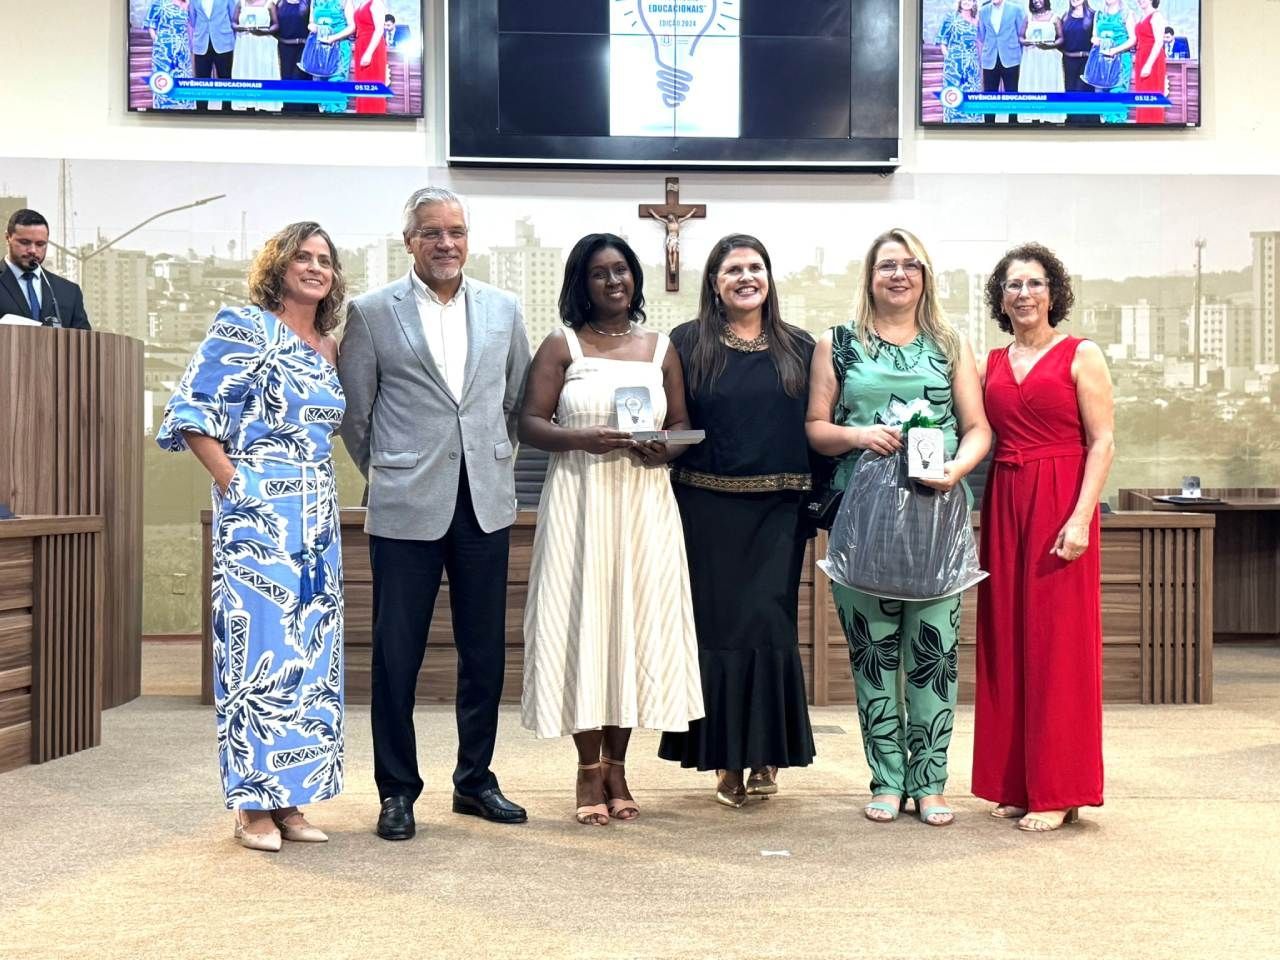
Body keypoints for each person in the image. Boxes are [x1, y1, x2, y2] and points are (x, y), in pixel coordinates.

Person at [337, 187, 533, 841]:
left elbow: (513, 402)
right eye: (431, 233)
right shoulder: (370, 314)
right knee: (397, 654)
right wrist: (394, 471)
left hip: (483, 504)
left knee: (484, 654)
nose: (446, 243)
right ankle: (397, 791)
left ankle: (474, 781)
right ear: (410, 241)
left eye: (456, 231)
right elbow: (355, 416)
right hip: (404, 507)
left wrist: (482, 460)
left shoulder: (504, 309)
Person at [156, 221, 347, 852]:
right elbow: (192, 413)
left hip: (317, 518)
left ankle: (292, 801)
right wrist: (237, 487)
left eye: (325, 259)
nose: (315, 267)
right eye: (304, 257)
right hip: (257, 515)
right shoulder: (243, 326)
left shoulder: (328, 346)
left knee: (309, 660)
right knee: (255, 657)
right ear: (279, 266)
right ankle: (250, 808)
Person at [806, 228, 990, 827]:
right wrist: (858, 435)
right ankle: (887, 780)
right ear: (871, 276)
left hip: (937, 516)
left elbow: (978, 427)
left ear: (924, 276)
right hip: (863, 518)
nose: (899, 275)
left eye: (911, 265)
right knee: (874, 653)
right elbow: (815, 428)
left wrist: (959, 467)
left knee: (934, 653)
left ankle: (931, 783)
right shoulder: (838, 344)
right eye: (888, 265)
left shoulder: (950, 343)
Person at [520, 234, 703, 825]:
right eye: (599, 273)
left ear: (635, 278)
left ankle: (618, 768)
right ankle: (585, 769)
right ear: (581, 283)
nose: (613, 281)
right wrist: (581, 439)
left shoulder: (661, 348)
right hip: (581, 501)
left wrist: (663, 452)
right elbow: (528, 423)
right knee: (584, 627)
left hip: (644, 504)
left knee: (630, 628)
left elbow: (679, 423)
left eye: (621, 270)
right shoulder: (561, 345)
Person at [656, 235, 816, 807]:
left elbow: (816, 430)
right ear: (715, 282)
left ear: (769, 277)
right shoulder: (687, 343)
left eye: (755, 267)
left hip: (779, 514)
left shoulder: (801, 347)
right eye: (732, 269)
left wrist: (820, 505)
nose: (746, 277)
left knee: (769, 629)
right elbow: (671, 419)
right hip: (706, 509)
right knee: (718, 632)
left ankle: (767, 754)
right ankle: (724, 759)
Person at [972, 243, 1114, 833]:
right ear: (999, 299)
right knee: (1007, 640)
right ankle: (1017, 783)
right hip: (1006, 499)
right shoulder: (990, 364)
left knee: (1059, 646)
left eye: (1033, 283)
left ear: (1053, 291)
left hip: (1061, 500)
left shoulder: (1082, 355)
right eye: (1012, 286)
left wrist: (1080, 518)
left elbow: (1102, 441)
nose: (1023, 294)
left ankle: (1060, 787)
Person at [0, 209, 90, 329]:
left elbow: (83, 342)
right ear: (7, 238)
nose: (32, 250)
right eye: (25, 242)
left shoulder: (69, 292)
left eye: (40, 244)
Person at [977, 0, 1028, 124]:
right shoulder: (983, 11)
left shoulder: (1016, 9)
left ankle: (1013, 124)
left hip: (1011, 57)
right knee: (989, 95)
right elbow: (982, 35)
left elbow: (1021, 33)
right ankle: (988, 125)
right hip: (990, 58)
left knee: (1012, 94)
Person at [231, 0, 282, 112]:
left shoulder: (269, 4)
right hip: (245, 44)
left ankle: (264, 104)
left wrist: (264, 31)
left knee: (262, 72)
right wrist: (239, 28)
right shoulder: (240, 3)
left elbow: (276, 25)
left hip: (263, 44)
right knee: (246, 72)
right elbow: (233, 22)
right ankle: (248, 103)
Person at [1019, 0, 1065, 123]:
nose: (1036, 1)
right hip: (1031, 58)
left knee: (1048, 85)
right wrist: (1027, 42)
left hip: (1049, 58)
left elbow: (1061, 39)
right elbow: (1021, 37)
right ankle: (1033, 115)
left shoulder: (1055, 18)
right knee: (1032, 85)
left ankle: (1049, 116)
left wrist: (1050, 45)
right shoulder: (1028, 17)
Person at [936, 0, 981, 124]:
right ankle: (952, 124)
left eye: (970, 0)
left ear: (974, 3)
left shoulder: (976, 20)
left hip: (972, 65)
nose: (967, 2)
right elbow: (942, 41)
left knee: (971, 93)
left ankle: (972, 123)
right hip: (954, 65)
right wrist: (949, 58)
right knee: (953, 94)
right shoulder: (951, 18)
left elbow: (978, 42)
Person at [1092, 0, 1136, 123]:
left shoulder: (1127, 14)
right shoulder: (1099, 14)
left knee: (1117, 95)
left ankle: (1117, 129)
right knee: (1103, 96)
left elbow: (1133, 39)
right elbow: (1094, 35)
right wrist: (1095, 40)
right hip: (1103, 60)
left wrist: (1115, 50)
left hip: (1120, 60)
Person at [146, 0, 195, 111]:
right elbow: (150, 24)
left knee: (183, 80)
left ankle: (185, 110)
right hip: (164, 52)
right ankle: (163, 109)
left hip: (183, 51)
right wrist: (158, 41)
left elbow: (191, 26)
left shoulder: (188, 3)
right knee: (163, 81)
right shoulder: (160, 2)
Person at [309, 0, 355, 113]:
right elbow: (311, 21)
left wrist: (333, 38)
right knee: (321, 87)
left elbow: (352, 26)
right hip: (320, 49)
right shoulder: (314, 1)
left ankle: (337, 120)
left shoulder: (345, 1)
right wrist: (312, 27)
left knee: (336, 84)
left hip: (339, 49)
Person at [190, 0, 236, 111]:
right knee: (201, 81)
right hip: (202, 43)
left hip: (223, 42)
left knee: (225, 80)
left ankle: (227, 110)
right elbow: (193, 19)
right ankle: (201, 111)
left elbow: (233, 17)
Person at [276, 0, 318, 113]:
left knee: (299, 80)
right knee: (287, 79)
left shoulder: (309, 3)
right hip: (285, 48)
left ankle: (303, 113)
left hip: (303, 48)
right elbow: (275, 24)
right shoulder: (279, 3)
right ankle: (288, 113)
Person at [1061, 0, 1098, 125]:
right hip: (1069, 61)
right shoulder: (1065, 16)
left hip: (1087, 61)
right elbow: (1060, 39)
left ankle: (1087, 125)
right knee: (1070, 91)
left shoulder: (1093, 16)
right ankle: (1072, 125)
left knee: (1082, 91)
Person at [1133, 0, 1168, 123]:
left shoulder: (1156, 16)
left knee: (1151, 96)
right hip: (1141, 58)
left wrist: (1148, 65)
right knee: (1142, 98)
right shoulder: (1142, 17)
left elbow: (1159, 42)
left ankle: (1154, 128)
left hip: (1152, 61)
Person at [352, 0, 388, 114]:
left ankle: (374, 120)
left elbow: (379, 30)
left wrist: (369, 53)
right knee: (362, 87)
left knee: (372, 85)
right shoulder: (361, 3)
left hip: (372, 47)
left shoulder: (376, 2)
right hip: (361, 45)